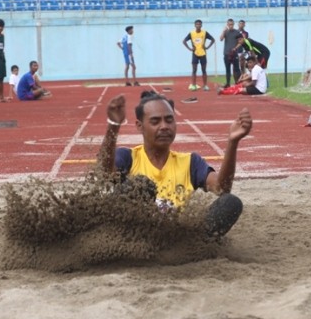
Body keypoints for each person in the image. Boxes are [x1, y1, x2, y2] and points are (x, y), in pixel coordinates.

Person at [97, 91, 253, 237]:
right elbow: (104, 175)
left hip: (174, 238)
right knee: (142, 186)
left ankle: (195, 248)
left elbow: (221, 188)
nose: (164, 126)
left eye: (169, 120)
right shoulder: (128, 157)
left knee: (231, 203)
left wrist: (232, 142)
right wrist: (113, 126)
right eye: (155, 121)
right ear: (140, 126)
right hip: (135, 235)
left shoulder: (190, 162)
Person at [182, 19, 215, 91]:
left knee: (204, 70)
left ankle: (205, 85)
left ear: (201, 25)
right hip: (195, 54)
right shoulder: (191, 33)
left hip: (203, 53)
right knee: (194, 70)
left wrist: (207, 47)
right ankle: (193, 85)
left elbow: (213, 39)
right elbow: (184, 41)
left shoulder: (205, 33)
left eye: (199, 24)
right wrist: (190, 49)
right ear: (194, 25)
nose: (198, 26)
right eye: (197, 24)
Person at [219, 18, 242, 88]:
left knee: (236, 69)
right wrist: (223, 31)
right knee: (227, 69)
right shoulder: (226, 32)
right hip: (226, 53)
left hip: (234, 53)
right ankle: (228, 83)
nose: (230, 26)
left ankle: (237, 82)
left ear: (233, 24)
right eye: (229, 24)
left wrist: (235, 48)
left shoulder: (237, 32)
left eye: (232, 24)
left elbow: (240, 42)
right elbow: (221, 39)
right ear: (227, 25)